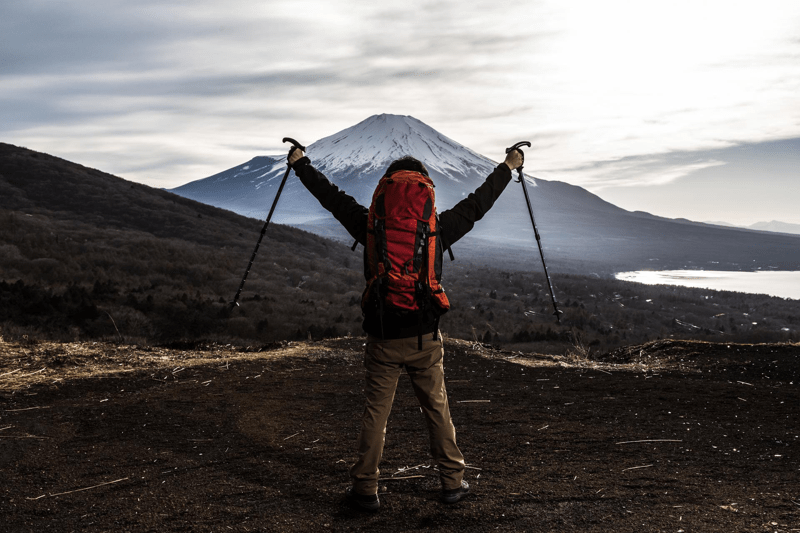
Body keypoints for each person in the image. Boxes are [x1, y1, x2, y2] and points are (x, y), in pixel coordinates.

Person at [288, 145, 523, 510]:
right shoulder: (436, 229)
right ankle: (452, 484)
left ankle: (365, 489)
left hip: (382, 337)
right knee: (437, 411)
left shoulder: (369, 225)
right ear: (425, 194)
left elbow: (331, 198)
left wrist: (301, 164)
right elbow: (479, 204)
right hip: (425, 338)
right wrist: (508, 166)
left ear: (384, 192)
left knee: (375, 415)